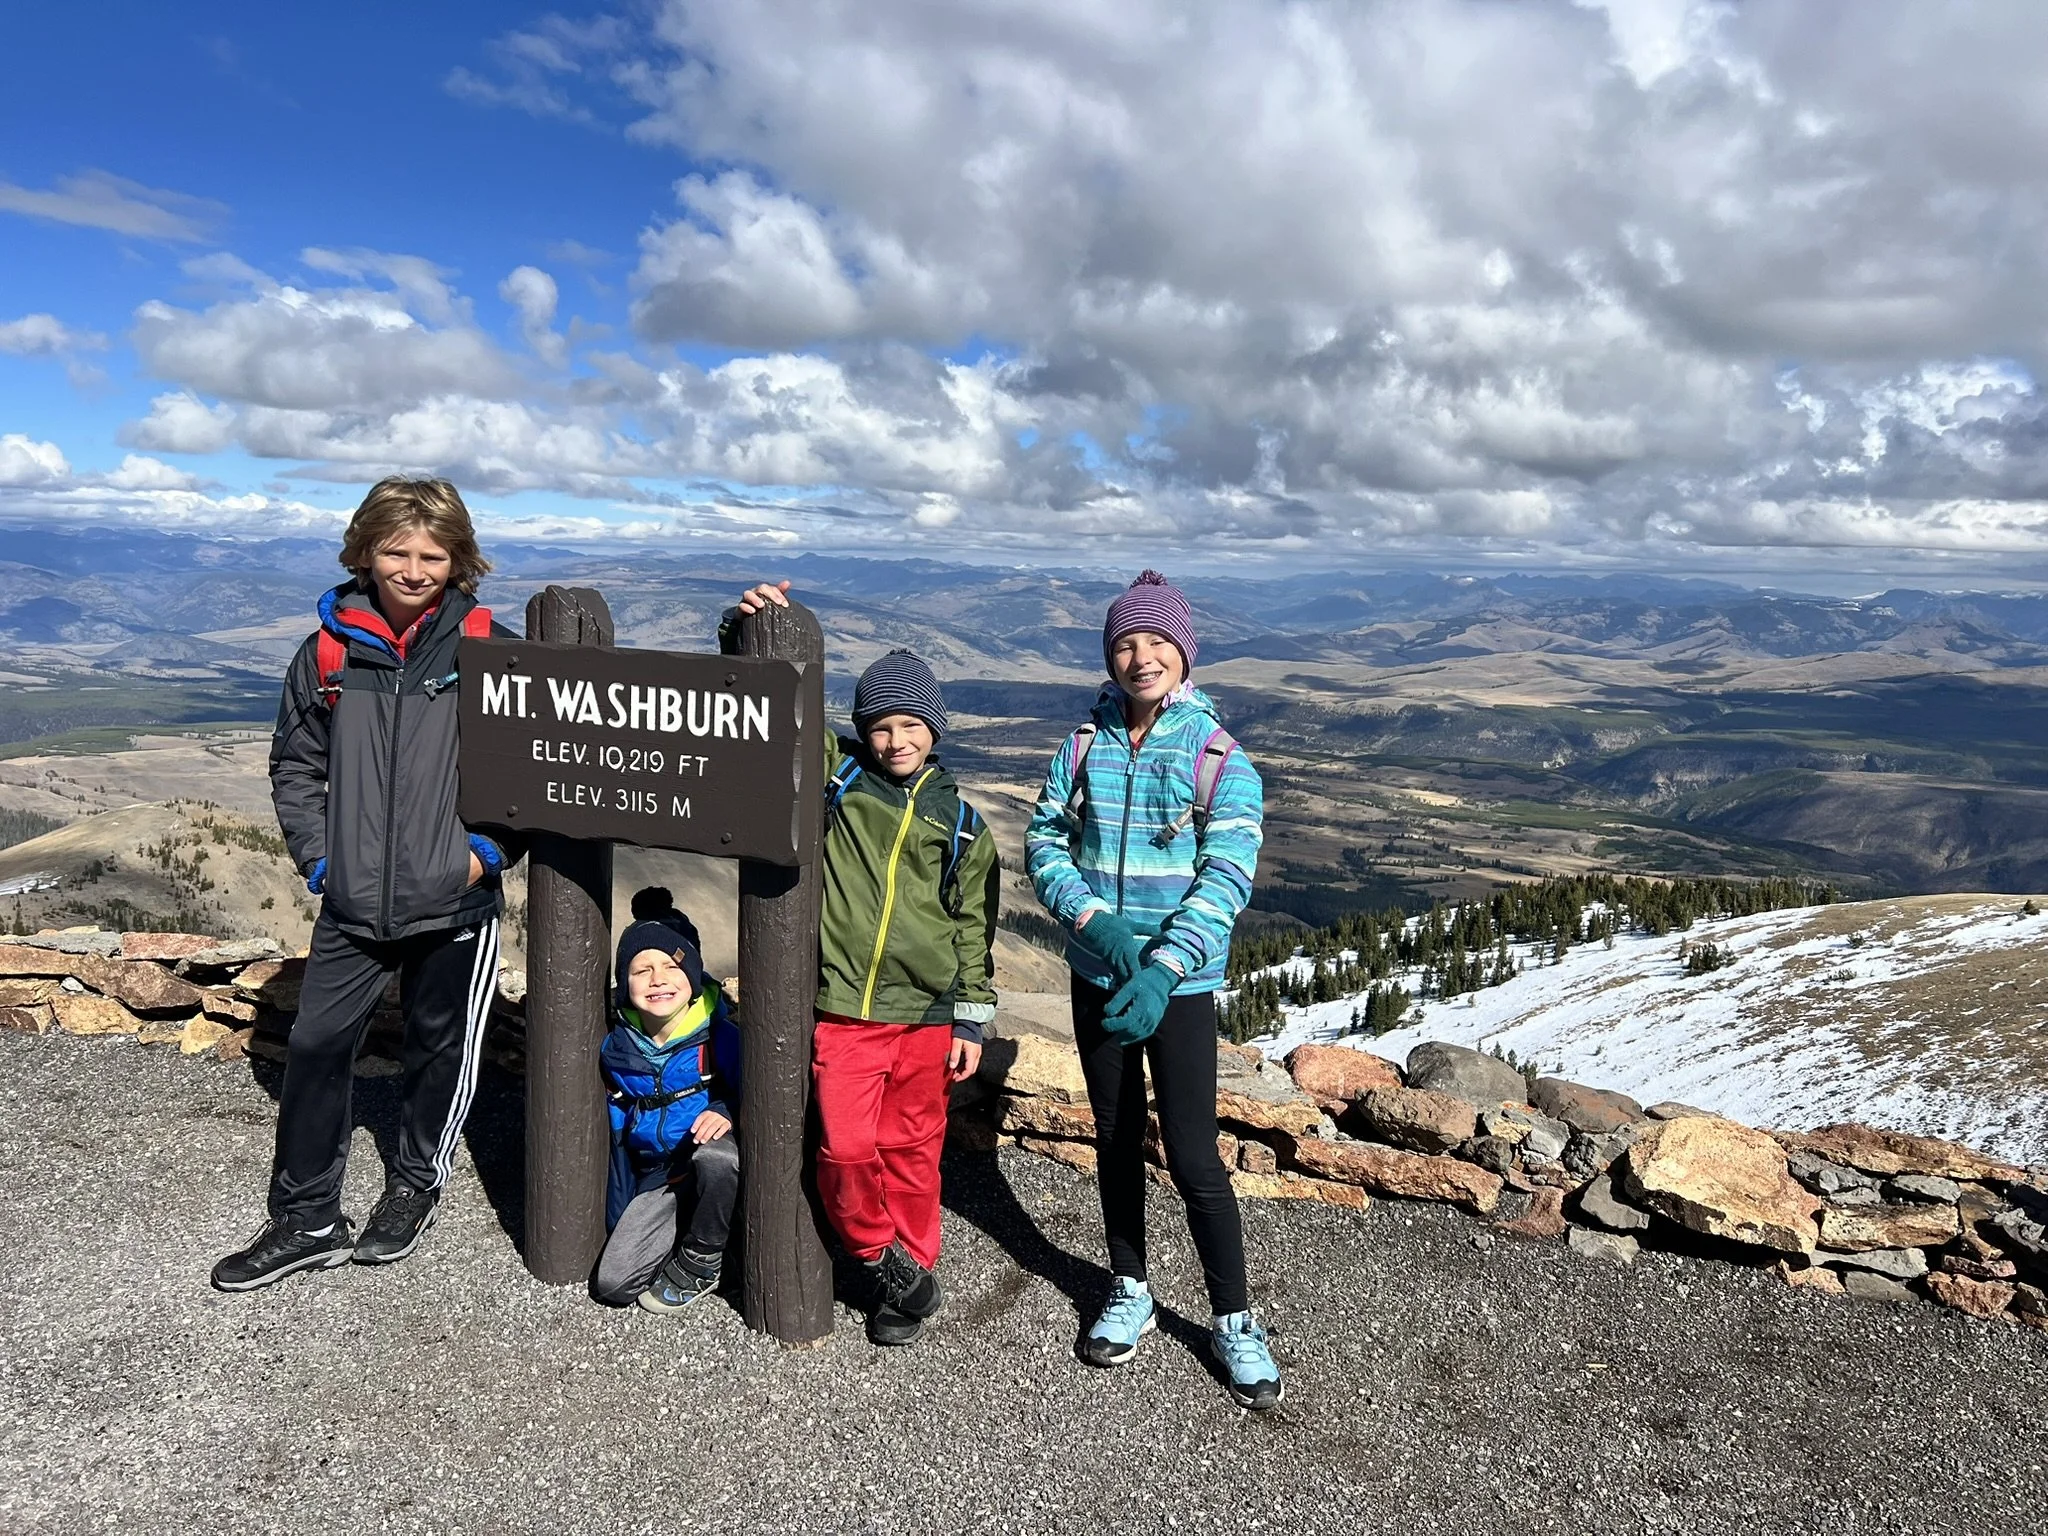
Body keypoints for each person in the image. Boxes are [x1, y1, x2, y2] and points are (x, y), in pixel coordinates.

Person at [212, 476, 522, 1292]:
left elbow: (543, 767)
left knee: (437, 1049)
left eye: (432, 553)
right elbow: (296, 763)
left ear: (459, 559)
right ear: (364, 551)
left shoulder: (490, 647)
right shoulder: (328, 648)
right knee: (315, 1047)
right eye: (397, 550)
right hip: (352, 899)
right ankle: (306, 1217)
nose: (414, 568)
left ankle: (414, 1185)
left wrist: (484, 852)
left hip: (453, 900)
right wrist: (321, 860)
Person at [1023, 570, 1282, 1409]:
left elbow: (1227, 876)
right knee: (1114, 1134)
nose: (1140, 659)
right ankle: (1129, 1285)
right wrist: (1098, 926)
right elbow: (1043, 840)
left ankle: (1234, 1319)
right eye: (1125, 644)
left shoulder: (1219, 758)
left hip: (1178, 987)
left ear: (1183, 652)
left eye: (1156, 643)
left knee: (1197, 1156)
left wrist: (1165, 967)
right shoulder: (1082, 745)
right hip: (1097, 974)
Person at [732, 582, 999, 1345]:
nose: (895, 740)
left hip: (925, 1020)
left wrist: (971, 1018)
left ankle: (909, 1274)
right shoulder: (841, 779)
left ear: (934, 730)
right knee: (845, 1149)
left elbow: (972, 928)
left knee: (913, 1154)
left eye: (911, 723)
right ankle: (880, 1257)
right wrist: (749, 629)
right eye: (880, 725)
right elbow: (773, 709)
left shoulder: (963, 826)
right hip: (845, 1011)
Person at [594, 888, 741, 1312]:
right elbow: (620, 1130)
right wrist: (620, 1212)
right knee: (614, 1285)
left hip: (715, 1165)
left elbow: (764, 1102)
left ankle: (703, 1259)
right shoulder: (617, 1050)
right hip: (661, 1177)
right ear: (626, 985)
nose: (657, 979)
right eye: (642, 971)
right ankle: (712, 1249)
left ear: (692, 977)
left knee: (715, 1158)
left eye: (671, 967)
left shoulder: (722, 1040)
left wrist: (724, 1111)